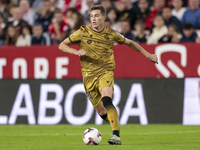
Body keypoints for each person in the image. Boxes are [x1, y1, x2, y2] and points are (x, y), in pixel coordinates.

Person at [59, 5, 158, 145]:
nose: (93, 18)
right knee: (101, 111)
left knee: (107, 100)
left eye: (97, 16)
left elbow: (130, 42)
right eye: (92, 16)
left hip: (105, 72)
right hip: (88, 76)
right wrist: (75, 52)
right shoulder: (82, 32)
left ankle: (116, 136)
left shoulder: (111, 34)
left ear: (104, 17)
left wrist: (148, 55)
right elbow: (62, 45)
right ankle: (113, 119)